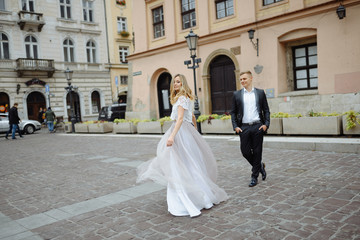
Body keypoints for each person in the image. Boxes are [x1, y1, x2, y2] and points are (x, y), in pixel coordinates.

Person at [137, 74, 228, 217]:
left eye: (178, 82)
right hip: (186, 132)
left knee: (178, 164)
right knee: (189, 164)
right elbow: (191, 116)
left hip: (179, 133)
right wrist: (195, 130)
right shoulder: (185, 98)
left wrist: (172, 136)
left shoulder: (181, 99)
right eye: (174, 82)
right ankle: (200, 195)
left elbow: (180, 118)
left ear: (183, 83)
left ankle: (187, 197)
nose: (175, 84)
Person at [230, 71, 270, 187]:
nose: (242, 81)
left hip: (258, 126)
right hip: (244, 127)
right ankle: (260, 166)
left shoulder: (260, 93)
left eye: (244, 79)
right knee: (245, 152)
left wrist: (266, 124)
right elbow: (233, 112)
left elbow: (266, 110)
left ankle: (254, 177)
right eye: (241, 79)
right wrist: (236, 126)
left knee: (257, 152)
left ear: (251, 78)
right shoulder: (236, 94)